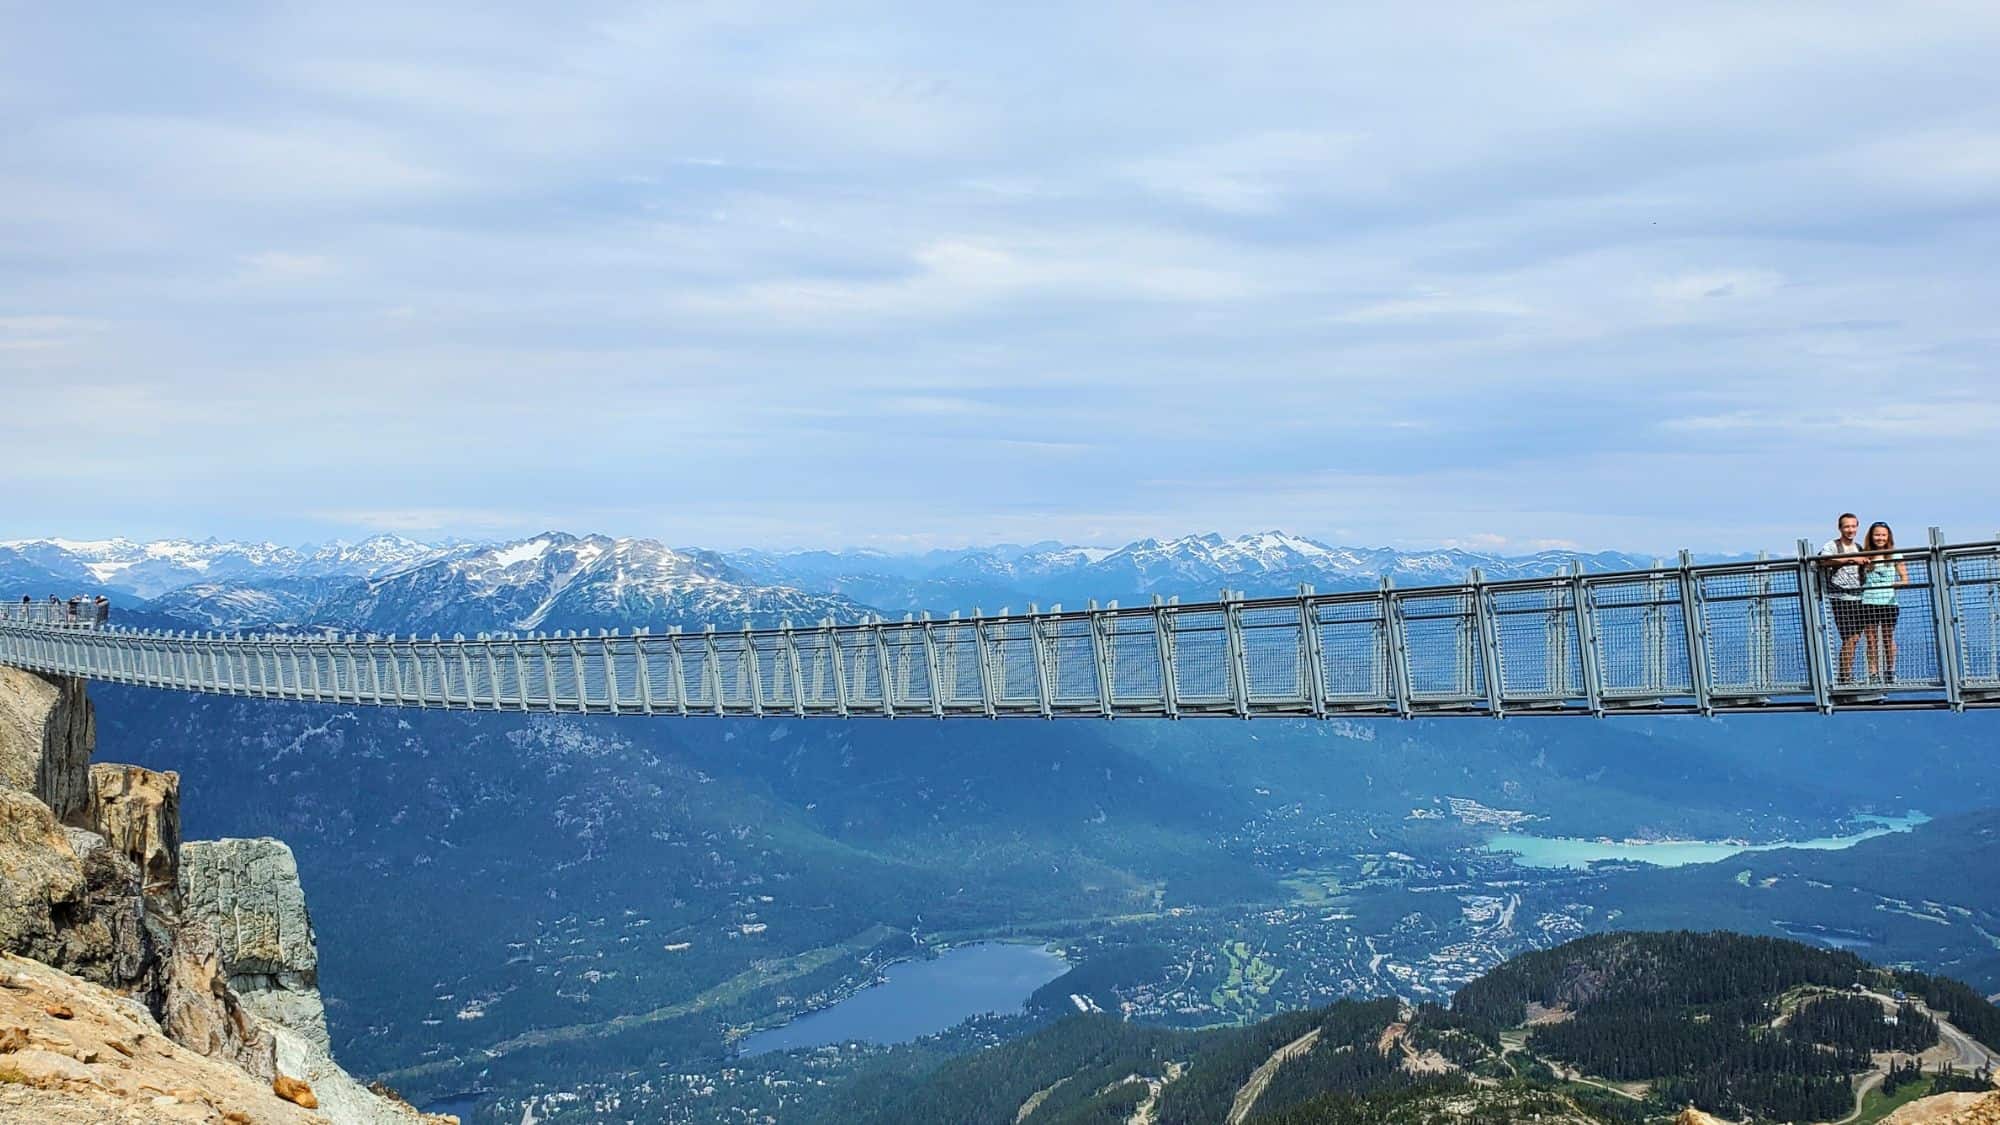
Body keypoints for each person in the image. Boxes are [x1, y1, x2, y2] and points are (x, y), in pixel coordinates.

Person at [1816, 513, 1866, 684]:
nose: (1850, 530)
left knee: (1855, 637)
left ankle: (1846, 674)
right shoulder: (1833, 545)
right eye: (1847, 526)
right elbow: (1824, 560)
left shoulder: (1859, 547)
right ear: (1840, 528)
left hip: (1858, 596)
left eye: (1853, 526)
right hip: (1840, 596)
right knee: (1849, 636)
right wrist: (1849, 560)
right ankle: (1844, 676)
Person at [1859, 521, 1907, 683]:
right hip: (1869, 601)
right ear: (1871, 537)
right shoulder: (1864, 555)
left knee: (1888, 638)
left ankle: (1890, 670)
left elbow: (1904, 579)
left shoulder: (1894, 555)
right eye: (1877, 535)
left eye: (1883, 535)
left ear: (1888, 537)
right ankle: (1873, 673)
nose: (1880, 538)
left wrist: (1893, 585)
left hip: (1888, 602)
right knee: (1871, 640)